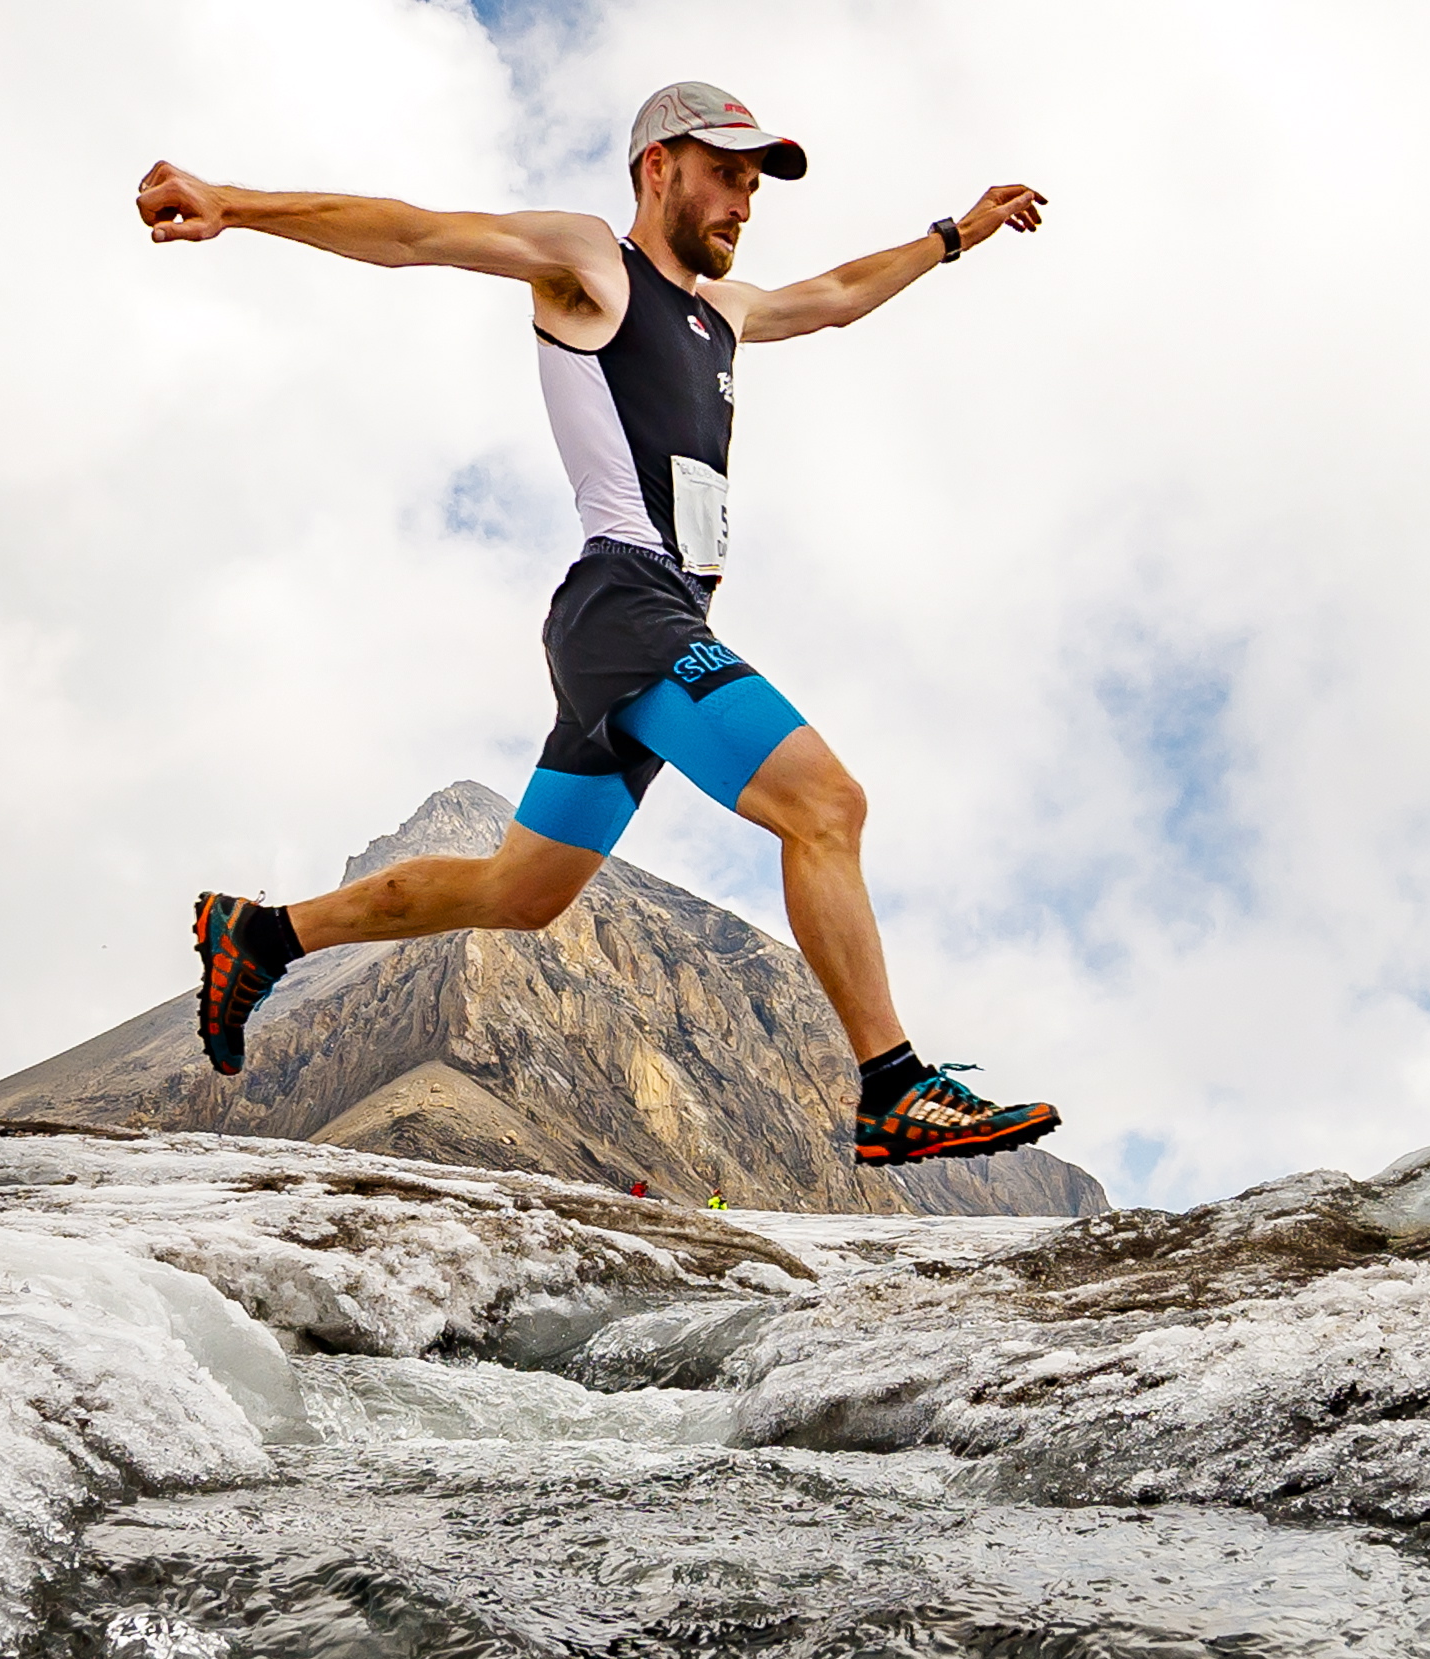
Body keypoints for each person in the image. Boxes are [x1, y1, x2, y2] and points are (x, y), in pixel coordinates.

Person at [134, 82, 1063, 1169]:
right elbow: (415, 233)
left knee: (516, 893)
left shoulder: (729, 314)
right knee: (825, 804)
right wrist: (233, 203)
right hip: (625, 600)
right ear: (656, 167)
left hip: (643, 621)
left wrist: (955, 234)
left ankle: (265, 934)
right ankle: (892, 1087)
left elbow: (842, 293)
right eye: (726, 175)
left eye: (755, 186)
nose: (743, 205)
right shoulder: (588, 266)